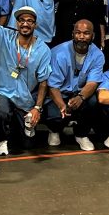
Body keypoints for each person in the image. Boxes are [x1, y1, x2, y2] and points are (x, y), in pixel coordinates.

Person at [0, 0, 52, 155]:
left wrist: (37, 108)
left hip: (25, 99)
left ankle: (21, 129)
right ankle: (1, 140)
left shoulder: (43, 49)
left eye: (30, 21)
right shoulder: (5, 36)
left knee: (27, 145)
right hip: (4, 92)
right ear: (17, 23)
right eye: (22, 20)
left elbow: (44, 81)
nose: (25, 24)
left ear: (35, 25)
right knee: (0, 109)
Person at [44, 20, 105, 150]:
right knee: (54, 114)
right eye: (78, 33)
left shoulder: (98, 55)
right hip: (59, 93)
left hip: (80, 93)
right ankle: (54, 130)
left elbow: (93, 82)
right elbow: (53, 86)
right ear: (73, 34)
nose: (81, 37)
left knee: (94, 101)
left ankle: (81, 134)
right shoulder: (58, 53)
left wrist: (81, 97)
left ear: (93, 36)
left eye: (86, 33)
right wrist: (61, 105)